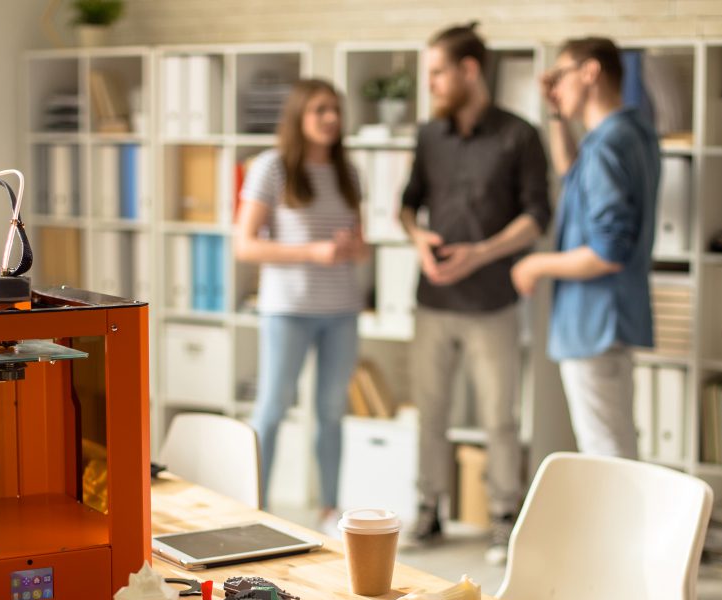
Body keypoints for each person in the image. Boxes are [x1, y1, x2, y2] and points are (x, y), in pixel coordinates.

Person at [400, 23, 551, 564]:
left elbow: (538, 216)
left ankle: (504, 518)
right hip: (433, 300)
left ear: (468, 70)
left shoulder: (520, 135)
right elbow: (406, 205)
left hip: (493, 301)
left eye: (438, 72)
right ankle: (429, 510)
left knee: (499, 417)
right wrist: (418, 241)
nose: (432, 83)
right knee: (430, 412)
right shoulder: (428, 136)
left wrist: (481, 252)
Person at [511, 37, 660, 460]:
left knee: (606, 455)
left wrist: (536, 263)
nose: (554, 87)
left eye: (560, 76)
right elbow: (572, 174)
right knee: (616, 446)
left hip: (594, 323)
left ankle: (625, 530)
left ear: (590, 72)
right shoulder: (632, 133)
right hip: (613, 322)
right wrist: (558, 115)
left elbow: (606, 252)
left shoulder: (607, 146)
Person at [234, 79, 368, 527]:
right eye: (320, 110)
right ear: (298, 116)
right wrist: (312, 252)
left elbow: (362, 244)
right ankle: (255, 507)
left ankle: (329, 508)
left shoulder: (349, 171)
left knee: (332, 411)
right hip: (287, 309)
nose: (331, 118)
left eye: (336, 109)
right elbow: (245, 245)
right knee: (272, 407)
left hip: (341, 310)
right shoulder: (271, 168)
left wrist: (351, 248)